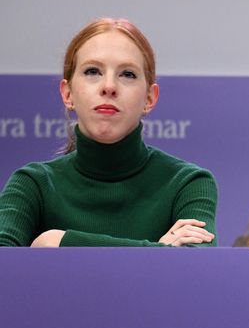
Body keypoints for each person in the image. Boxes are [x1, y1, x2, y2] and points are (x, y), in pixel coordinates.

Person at [0, 18, 217, 247]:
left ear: (150, 98)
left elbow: (198, 264)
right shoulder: (33, 184)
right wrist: (160, 252)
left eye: (127, 74)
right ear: (67, 94)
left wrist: (57, 241)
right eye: (92, 71)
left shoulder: (187, 182)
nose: (109, 86)